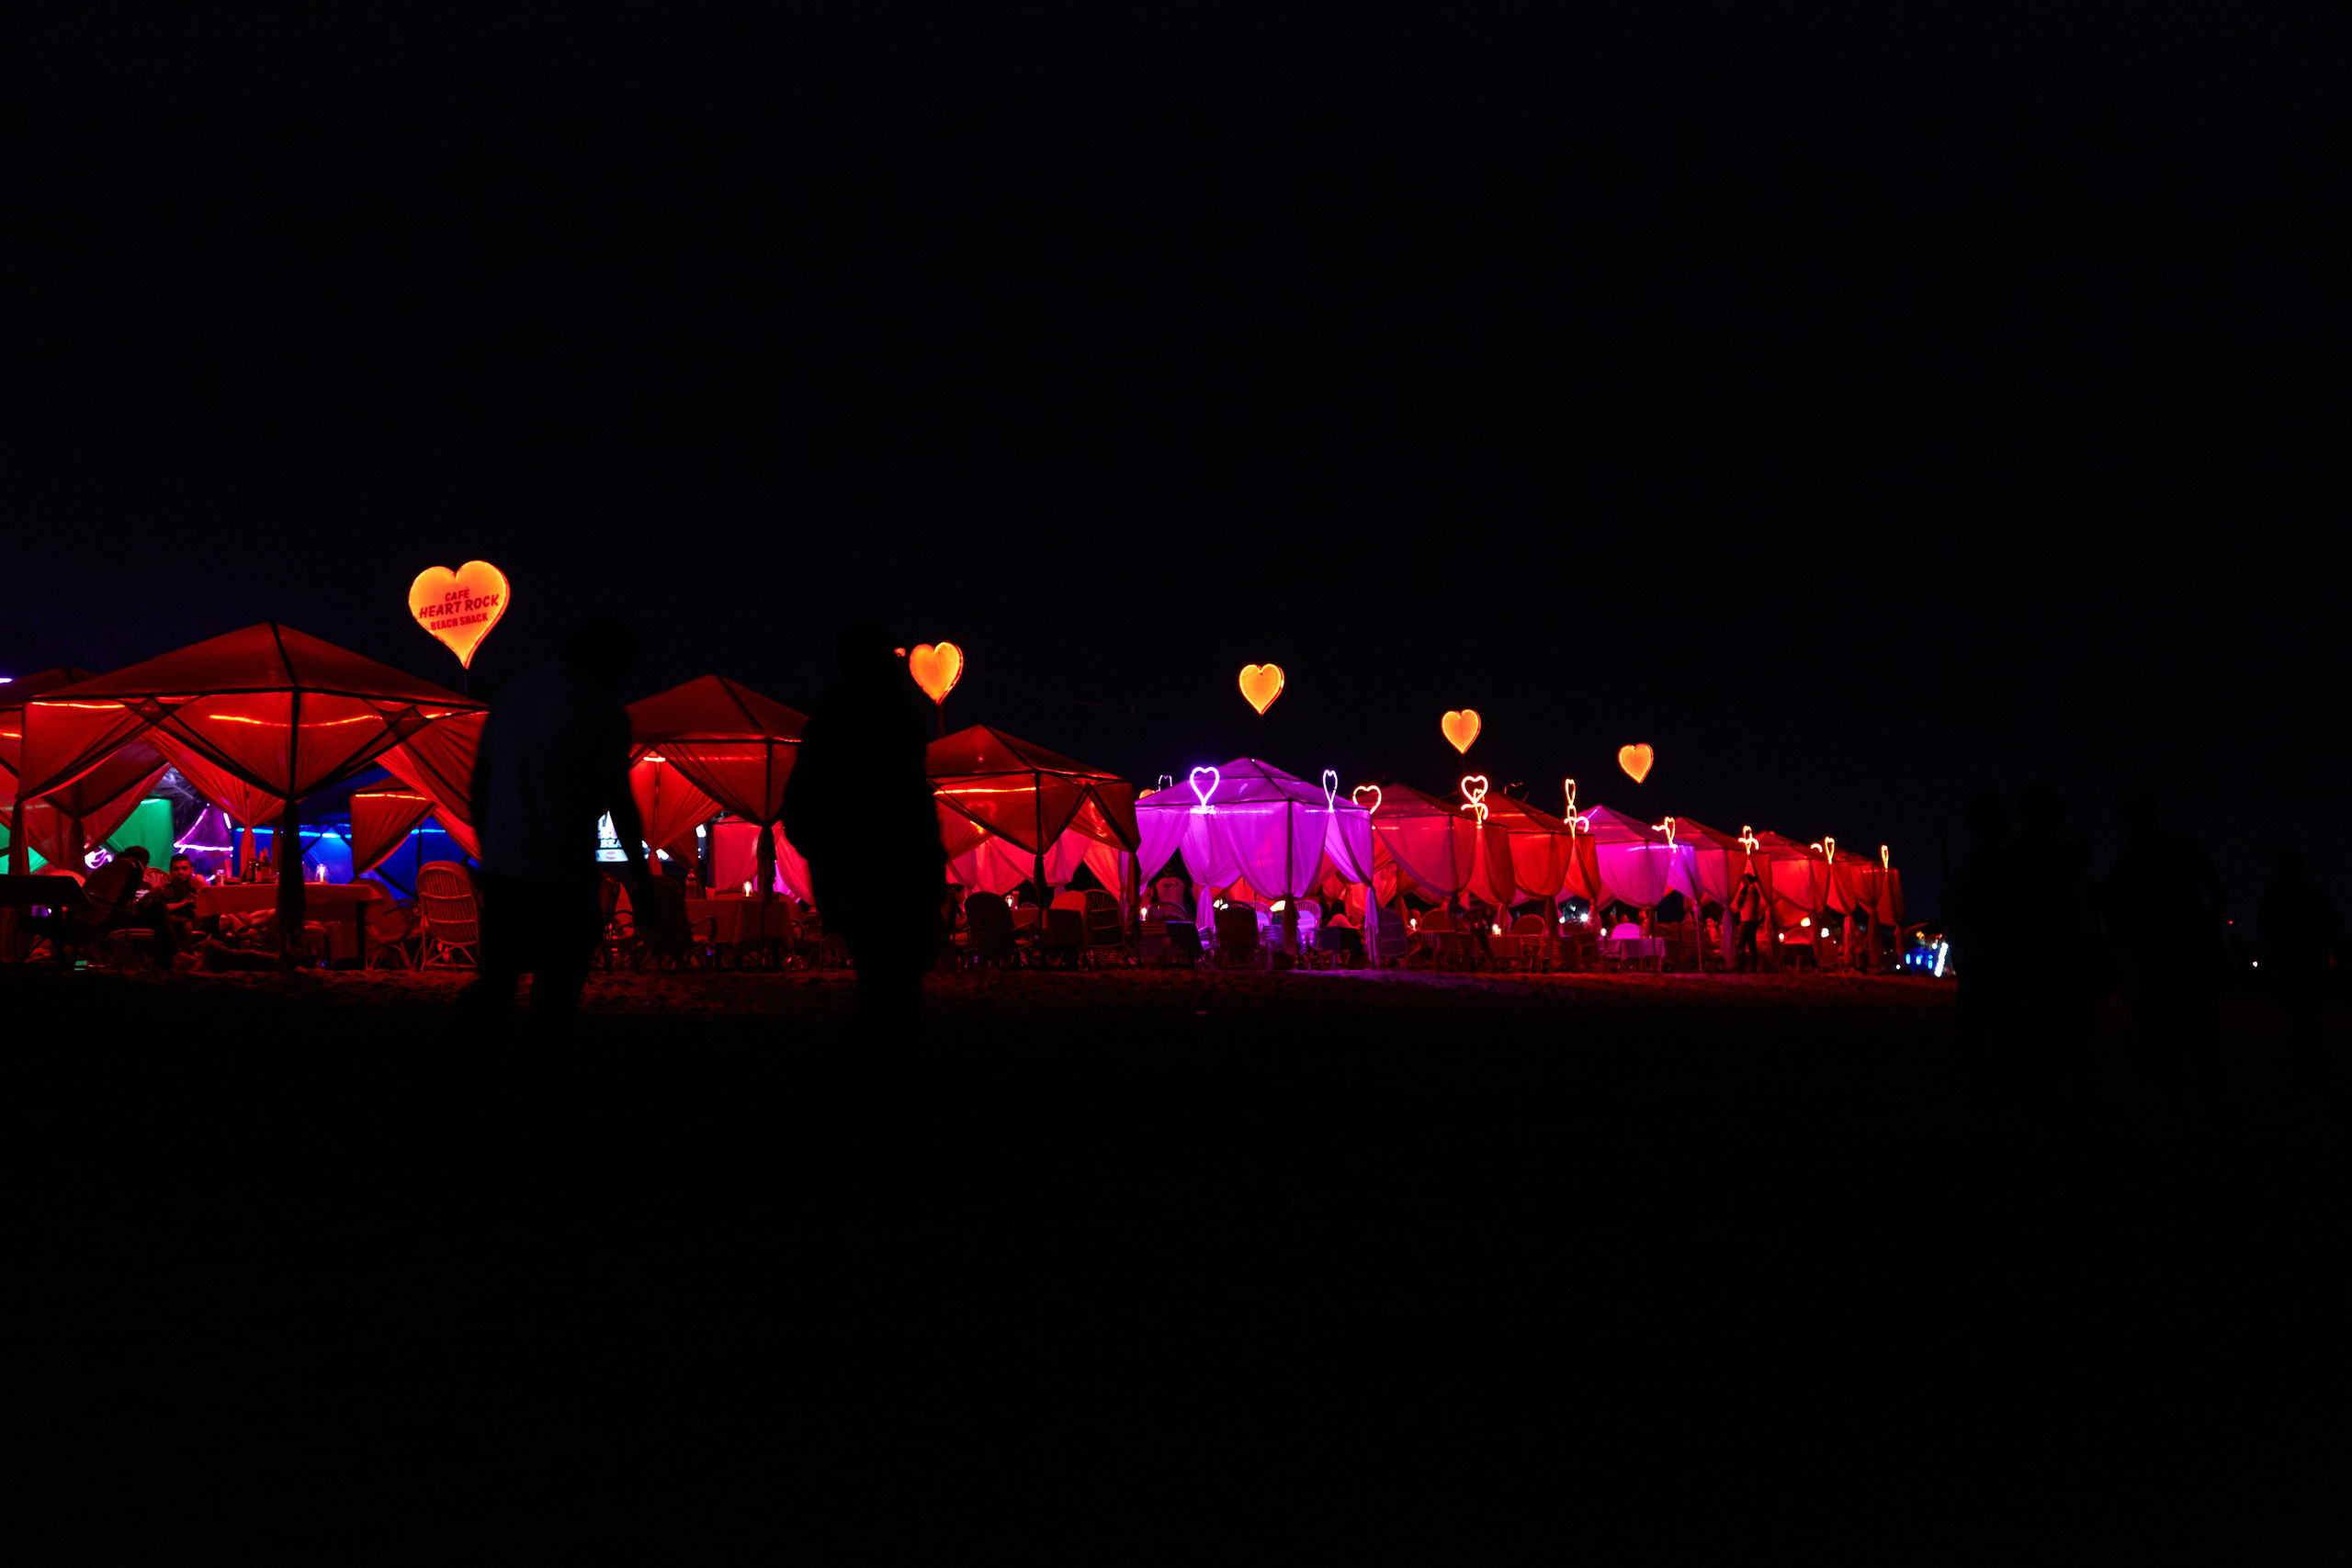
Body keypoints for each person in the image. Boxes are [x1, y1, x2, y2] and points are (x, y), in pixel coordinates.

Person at [465, 615, 650, 1021]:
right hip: (565, 874)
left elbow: (479, 784)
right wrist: (642, 879)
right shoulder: (602, 711)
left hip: (505, 872)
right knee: (556, 995)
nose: (622, 677)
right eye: (622, 666)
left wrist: (490, 849)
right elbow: (619, 799)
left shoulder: (511, 697)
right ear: (605, 659)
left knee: (497, 983)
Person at [782, 621, 946, 1038]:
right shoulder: (897, 721)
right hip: (895, 875)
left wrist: (829, 860)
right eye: (889, 657)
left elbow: (799, 807)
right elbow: (912, 803)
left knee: (881, 986)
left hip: (861, 877)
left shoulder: (831, 722)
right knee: (895, 990)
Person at [2105, 794, 2226, 1117]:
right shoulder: (2181, 848)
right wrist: (2209, 931)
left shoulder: (2130, 859)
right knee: (2199, 1028)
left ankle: (2176, 1101)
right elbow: (2217, 891)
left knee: (2166, 1029)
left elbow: (2114, 908)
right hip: (2188, 949)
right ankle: (2208, 1100)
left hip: (2156, 954)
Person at [2256, 851, 2341, 1097]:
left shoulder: (2274, 893)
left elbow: (2263, 925)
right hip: (2309, 964)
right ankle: (2314, 1069)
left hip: (2288, 964)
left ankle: (2305, 1070)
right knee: (2309, 1016)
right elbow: (2330, 927)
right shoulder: (2313, 894)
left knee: (2297, 1017)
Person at [1731, 872, 1766, 973]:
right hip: (1754, 920)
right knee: (1752, 944)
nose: (1742, 882)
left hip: (1747, 920)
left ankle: (1741, 967)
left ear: (1747, 879)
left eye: (1743, 879)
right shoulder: (1755, 890)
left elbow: (1739, 904)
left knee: (1740, 944)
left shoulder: (1746, 889)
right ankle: (1753, 968)